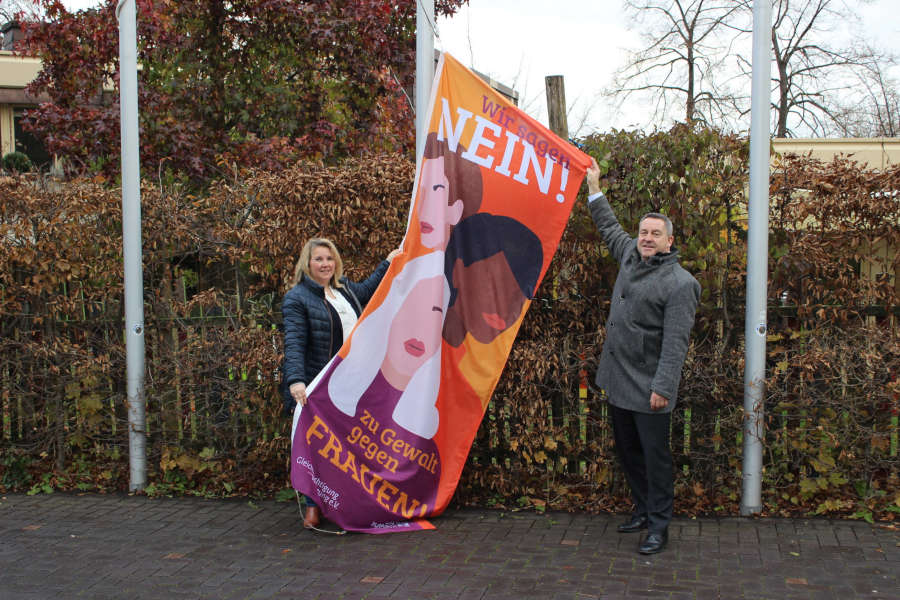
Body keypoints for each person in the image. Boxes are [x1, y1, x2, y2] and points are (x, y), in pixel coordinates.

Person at [585, 157, 700, 555]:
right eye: (643, 232)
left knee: (656, 459)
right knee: (629, 453)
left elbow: (676, 342)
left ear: (670, 241)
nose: (647, 238)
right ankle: (641, 508)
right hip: (617, 380)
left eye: (655, 233)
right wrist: (594, 187)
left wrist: (663, 388)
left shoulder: (681, 283)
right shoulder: (630, 256)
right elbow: (608, 227)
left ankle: (659, 526)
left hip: (650, 387)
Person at [281, 237, 399, 529]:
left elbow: (370, 289)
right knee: (318, 447)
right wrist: (296, 381)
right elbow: (294, 342)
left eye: (329, 259)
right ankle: (313, 508)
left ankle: (343, 502)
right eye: (319, 259)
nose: (325, 264)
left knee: (346, 448)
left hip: (351, 384)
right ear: (307, 264)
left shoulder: (343, 290)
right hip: (317, 387)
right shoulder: (297, 298)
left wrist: (390, 261)